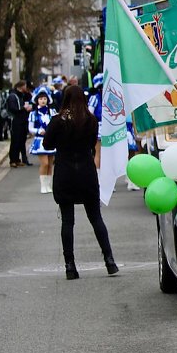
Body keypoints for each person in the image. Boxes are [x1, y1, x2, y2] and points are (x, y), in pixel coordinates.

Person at [42, 85, 118, 280]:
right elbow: (93, 144)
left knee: (68, 221)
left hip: (65, 173)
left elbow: (47, 144)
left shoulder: (58, 121)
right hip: (86, 172)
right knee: (96, 218)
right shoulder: (90, 120)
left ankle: (70, 266)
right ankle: (109, 260)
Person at [28, 87, 56, 193]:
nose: (43, 100)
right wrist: (38, 130)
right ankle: (43, 185)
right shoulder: (33, 114)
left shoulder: (52, 112)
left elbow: (56, 123)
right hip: (40, 141)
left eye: (44, 98)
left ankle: (48, 185)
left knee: (50, 163)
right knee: (44, 163)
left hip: (51, 139)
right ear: (37, 100)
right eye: (40, 99)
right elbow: (30, 128)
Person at [6, 80, 32, 167]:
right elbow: (13, 109)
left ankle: (17, 159)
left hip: (22, 121)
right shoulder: (13, 96)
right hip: (15, 122)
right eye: (25, 86)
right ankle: (12, 160)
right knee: (15, 141)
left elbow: (29, 98)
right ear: (21, 86)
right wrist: (23, 108)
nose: (26, 87)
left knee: (21, 141)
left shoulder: (21, 95)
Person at [87, 73, 103, 168]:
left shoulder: (111, 97)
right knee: (99, 152)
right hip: (99, 128)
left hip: (111, 127)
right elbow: (90, 114)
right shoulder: (95, 98)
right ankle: (97, 176)